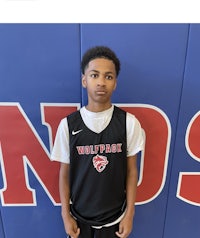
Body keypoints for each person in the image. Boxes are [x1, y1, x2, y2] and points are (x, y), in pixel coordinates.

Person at [51, 46, 144, 238]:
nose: (101, 82)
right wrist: (65, 215)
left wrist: (130, 215)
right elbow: (64, 174)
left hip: (115, 219)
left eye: (108, 77)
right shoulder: (68, 124)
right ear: (84, 80)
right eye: (94, 75)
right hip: (79, 219)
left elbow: (132, 171)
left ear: (115, 83)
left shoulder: (129, 123)